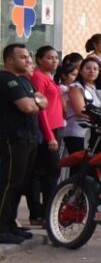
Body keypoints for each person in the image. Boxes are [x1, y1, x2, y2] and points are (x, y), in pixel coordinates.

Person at [0, 44, 47, 244]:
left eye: (29, 57)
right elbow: (28, 106)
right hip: (13, 138)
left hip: (29, 137)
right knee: (8, 183)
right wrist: (35, 102)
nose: (28, 60)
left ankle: (11, 224)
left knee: (20, 184)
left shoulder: (25, 81)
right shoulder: (6, 80)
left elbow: (44, 102)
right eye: (23, 57)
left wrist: (35, 101)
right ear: (9, 60)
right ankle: (2, 228)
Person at [27, 46, 64, 226]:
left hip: (55, 128)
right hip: (45, 130)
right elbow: (40, 110)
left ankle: (47, 210)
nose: (54, 61)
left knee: (50, 171)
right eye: (49, 58)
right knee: (43, 172)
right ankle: (39, 212)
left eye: (56, 58)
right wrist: (49, 136)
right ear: (40, 59)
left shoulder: (49, 77)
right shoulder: (38, 77)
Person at [63, 57, 101, 155]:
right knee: (79, 166)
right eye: (88, 68)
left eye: (95, 69)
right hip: (77, 131)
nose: (92, 71)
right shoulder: (76, 87)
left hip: (92, 131)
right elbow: (81, 111)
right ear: (80, 71)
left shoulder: (96, 88)